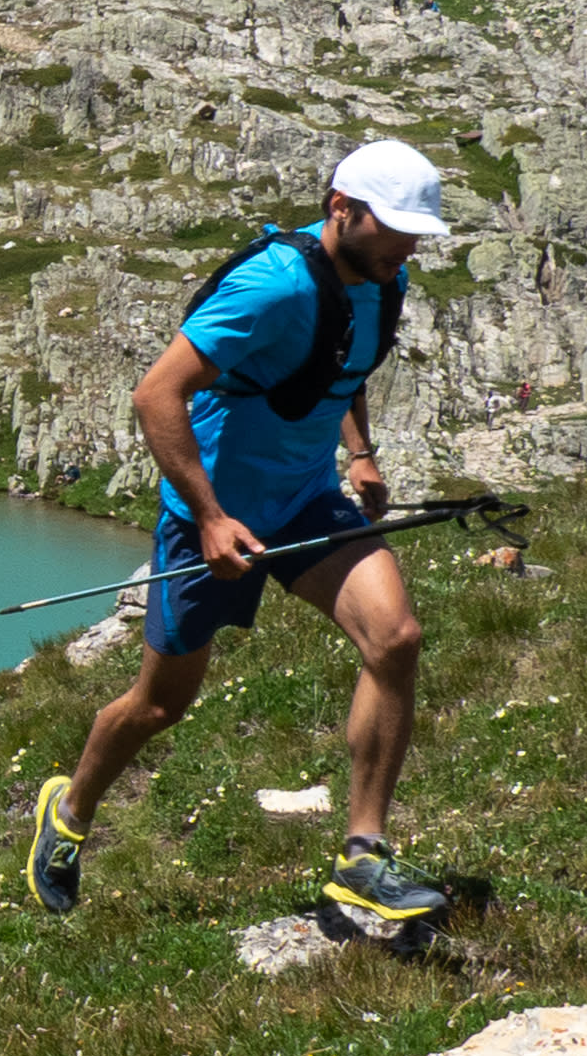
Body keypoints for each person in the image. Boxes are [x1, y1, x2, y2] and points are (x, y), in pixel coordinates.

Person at [29, 137, 451, 946]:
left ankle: (364, 853)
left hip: (305, 501)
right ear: (340, 209)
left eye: (413, 234)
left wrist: (357, 454)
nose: (405, 249)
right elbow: (156, 394)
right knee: (160, 703)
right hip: (213, 513)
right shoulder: (269, 284)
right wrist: (212, 517)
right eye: (392, 229)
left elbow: (343, 361)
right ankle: (70, 807)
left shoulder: (379, 277)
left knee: (394, 636)